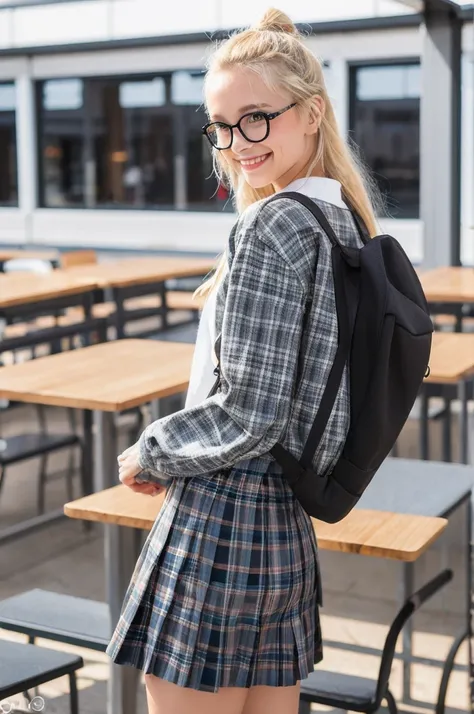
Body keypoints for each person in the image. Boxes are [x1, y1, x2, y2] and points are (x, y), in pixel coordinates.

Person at [106, 7, 382, 714]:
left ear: (311, 113)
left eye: (256, 118)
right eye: (222, 126)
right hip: (283, 522)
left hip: (222, 517)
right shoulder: (340, 220)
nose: (235, 143)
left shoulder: (272, 225)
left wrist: (153, 450)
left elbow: (248, 411)